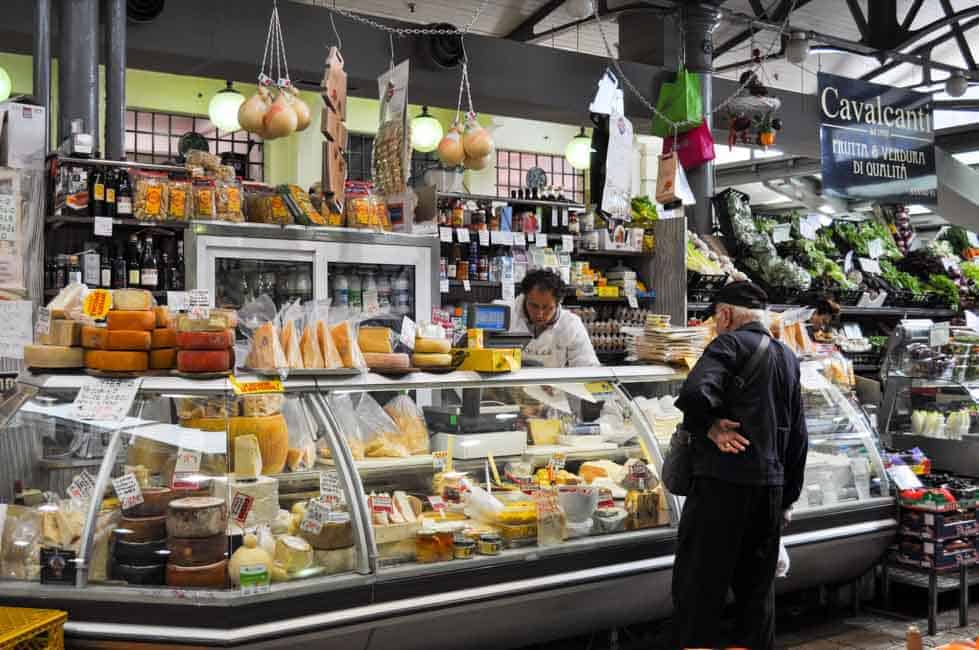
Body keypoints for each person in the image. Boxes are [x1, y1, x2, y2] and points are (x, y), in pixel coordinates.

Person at [671, 281, 808, 650]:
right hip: (769, 493)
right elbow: (798, 438)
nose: (716, 325)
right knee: (755, 601)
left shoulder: (727, 344)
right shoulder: (788, 357)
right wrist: (786, 500)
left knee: (699, 595)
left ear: (726, 314)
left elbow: (694, 393)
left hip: (721, 488)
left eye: (716, 318)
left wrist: (710, 426)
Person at [511, 269, 599, 368]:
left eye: (547, 307)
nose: (540, 314)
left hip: (553, 382)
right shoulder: (508, 317)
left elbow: (588, 366)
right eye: (534, 306)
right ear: (525, 297)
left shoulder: (570, 324)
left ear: (558, 303)